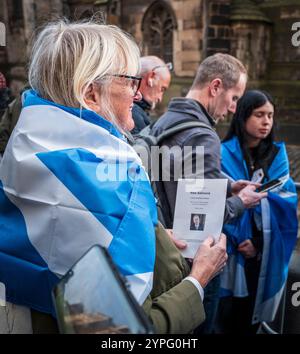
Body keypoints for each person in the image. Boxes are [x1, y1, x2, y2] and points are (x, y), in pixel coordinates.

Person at [0, 20, 227, 334]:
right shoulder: (115, 185)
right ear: (91, 93)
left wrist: (155, 235)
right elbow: (119, 333)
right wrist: (198, 280)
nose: (138, 95)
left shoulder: (22, 149)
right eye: (130, 82)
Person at [151, 53, 266, 333]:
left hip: (163, 253)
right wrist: (241, 201)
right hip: (191, 262)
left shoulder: (164, 122)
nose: (232, 109)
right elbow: (204, 216)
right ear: (215, 87)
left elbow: (174, 178)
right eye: (235, 98)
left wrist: (227, 186)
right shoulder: (204, 135)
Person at [218, 90, 298, 334]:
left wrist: (258, 241)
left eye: (271, 116)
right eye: (259, 115)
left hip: (261, 252)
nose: (266, 122)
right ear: (243, 117)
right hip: (228, 252)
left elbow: (284, 203)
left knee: (248, 321)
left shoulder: (278, 155)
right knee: (221, 320)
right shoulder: (222, 152)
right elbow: (215, 200)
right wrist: (239, 237)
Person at [131, 56, 171, 135]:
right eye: (162, 89)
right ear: (151, 77)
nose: (160, 98)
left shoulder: (136, 111)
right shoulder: (133, 114)